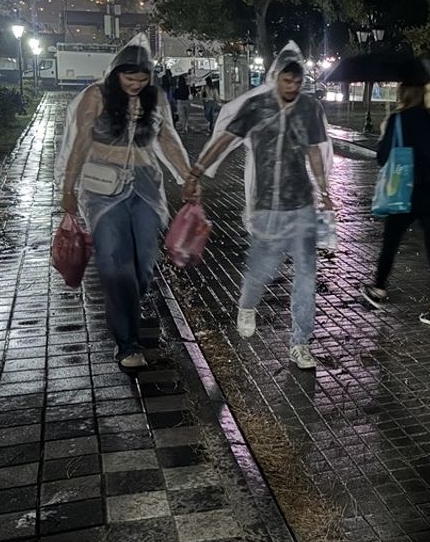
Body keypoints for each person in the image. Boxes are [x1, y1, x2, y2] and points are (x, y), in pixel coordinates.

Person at [185, 43, 333, 370]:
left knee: (307, 276)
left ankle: (300, 343)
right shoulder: (256, 107)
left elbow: (313, 151)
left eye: (297, 82)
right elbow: (224, 140)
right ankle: (248, 304)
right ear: (275, 78)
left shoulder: (309, 109)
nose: (292, 88)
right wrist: (197, 172)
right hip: (268, 207)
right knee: (261, 270)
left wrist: (323, 189)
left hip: (302, 206)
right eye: (286, 81)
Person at [55, 35, 194, 368]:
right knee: (115, 261)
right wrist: (68, 189)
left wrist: (188, 176)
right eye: (129, 77)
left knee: (145, 261)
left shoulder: (155, 97)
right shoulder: (95, 96)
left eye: (142, 77)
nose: (135, 83)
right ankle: (127, 343)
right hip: (102, 188)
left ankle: (131, 301)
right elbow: (79, 144)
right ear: (116, 73)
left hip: (146, 185)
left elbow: (168, 139)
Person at [361, 82, 430, 327]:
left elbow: (382, 158)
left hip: (403, 192)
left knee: (391, 242)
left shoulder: (397, 120)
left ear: (403, 94)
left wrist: (385, 135)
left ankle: (379, 287)